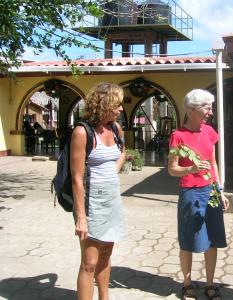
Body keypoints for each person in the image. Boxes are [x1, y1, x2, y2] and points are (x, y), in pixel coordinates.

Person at [168, 89, 229, 300]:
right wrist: (190, 170)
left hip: (210, 191)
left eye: (210, 107)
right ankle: (186, 283)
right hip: (190, 193)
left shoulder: (209, 132)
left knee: (212, 238)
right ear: (192, 109)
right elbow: (172, 169)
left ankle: (210, 284)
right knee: (188, 238)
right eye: (206, 107)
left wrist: (220, 190)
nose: (210, 112)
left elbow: (213, 163)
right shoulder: (178, 136)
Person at [70, 82, 126, 300]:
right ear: (104, 104)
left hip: (112, 201)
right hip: (91, 203)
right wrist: (81, 218)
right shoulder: (82, 132)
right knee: (89, 262)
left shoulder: (115, 128)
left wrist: (112, 171)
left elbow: (123, 151)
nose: (121, 109)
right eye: (117, 104)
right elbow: (76, 177)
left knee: (105, 255)